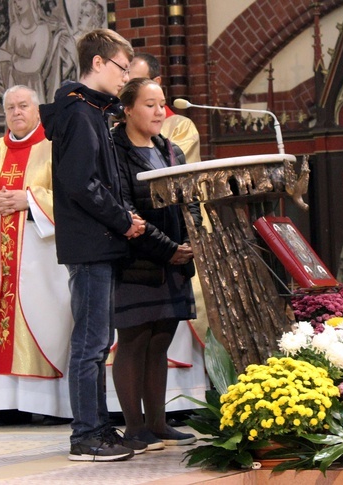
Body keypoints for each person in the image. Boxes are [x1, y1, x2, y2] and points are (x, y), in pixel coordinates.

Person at [40, 28, 147, 462]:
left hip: (97, 240)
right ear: (98, 63)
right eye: (122, 67)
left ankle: (100, 426)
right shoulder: (80, 112)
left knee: (98, 340)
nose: (126, 77)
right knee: (90, 342)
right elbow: (80, 182)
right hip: (90, 243)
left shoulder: (91, 110)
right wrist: (123, 220)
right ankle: (86, 435)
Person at [0, 85, 73, 426]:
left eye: (23, 106)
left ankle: (50, 405)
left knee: (45, 321)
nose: (16, 113)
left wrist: (32, 201)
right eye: (10, 107)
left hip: (42, 258)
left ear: (38, 110)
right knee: (0, 323)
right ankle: (5, 404)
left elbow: (71, 193)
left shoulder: (55, 149)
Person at [110, 78, 200, 450]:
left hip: (174, 260)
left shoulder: (172, 150)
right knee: (134, 340)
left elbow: (189, 199)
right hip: (136, 260)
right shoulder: (114, 152)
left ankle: (158, 423)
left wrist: (192, 239)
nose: (159, 112)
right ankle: (134, 428)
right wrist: (167, 249)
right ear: (128, 109)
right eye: (150, 105)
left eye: (162, 104)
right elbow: (123, 208)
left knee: (160, 340)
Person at [128, 52, 200, 164]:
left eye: (135, 83)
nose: (128, 90)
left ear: (156, 82)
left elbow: (173, 171)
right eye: (125, 82)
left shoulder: (180, 126)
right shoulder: (112, 124)